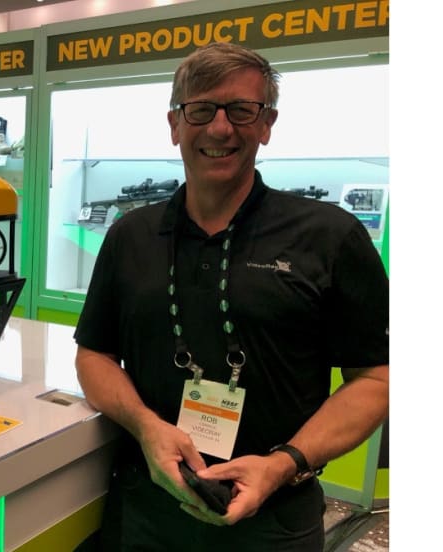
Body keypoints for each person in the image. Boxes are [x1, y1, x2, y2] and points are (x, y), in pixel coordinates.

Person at [73, 42, 388, 551]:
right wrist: (146, 427)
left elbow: (375, 379)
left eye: (242, 110)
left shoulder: (331, 237)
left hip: (276, 521)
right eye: (201, 109)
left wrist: (283, 464)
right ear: (175, 124)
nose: (221, 129)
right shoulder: (130, 235)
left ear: (267, 124)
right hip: (147, 509)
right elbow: (94, 356)